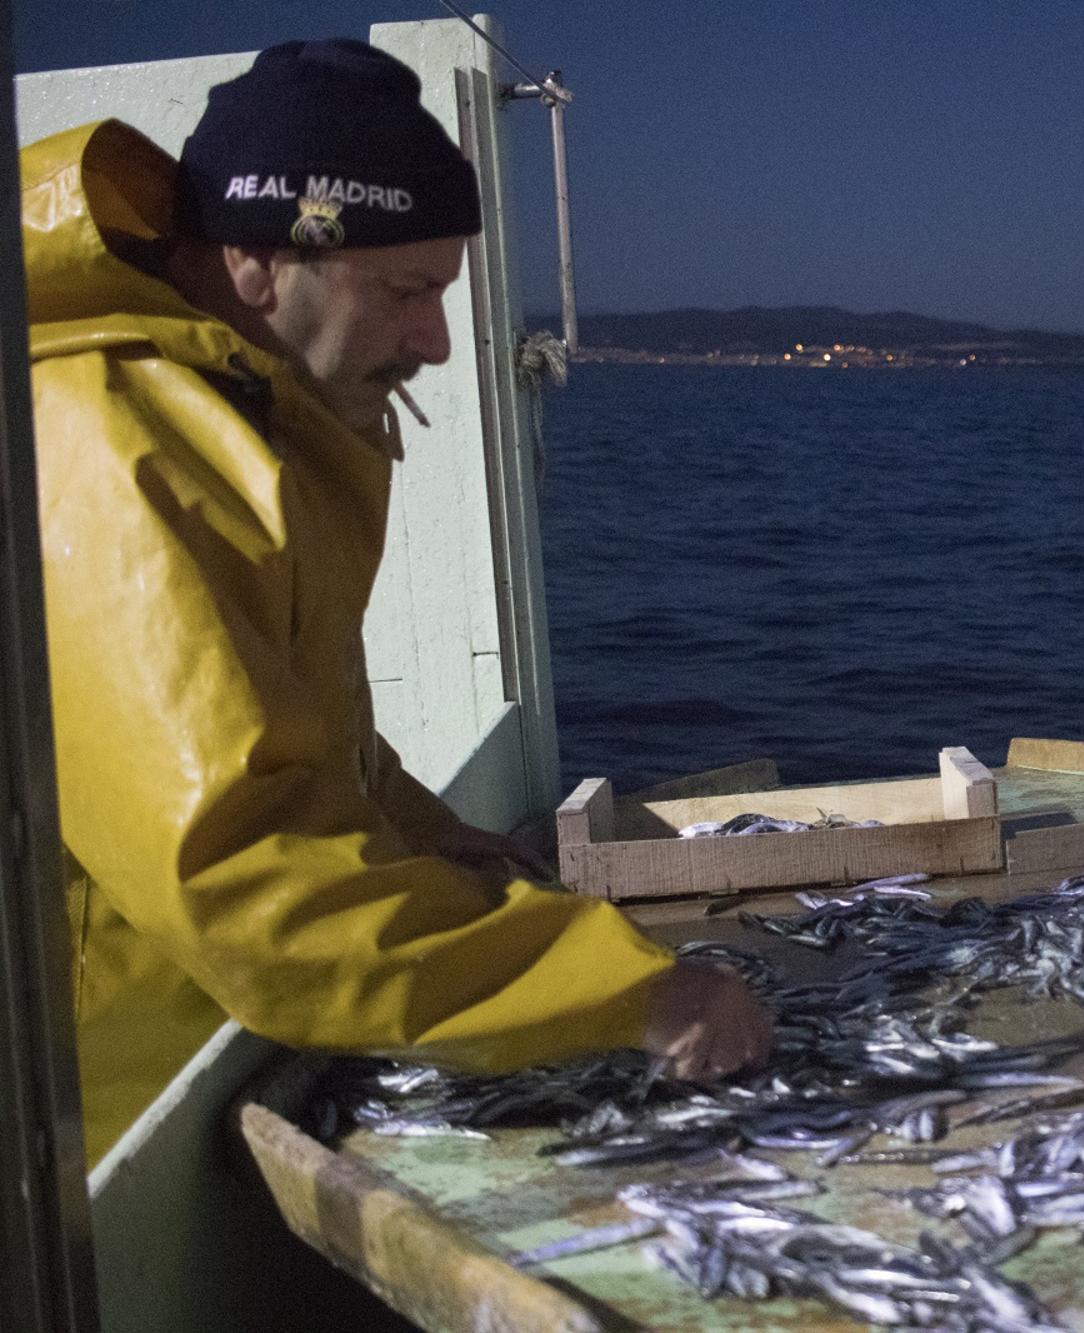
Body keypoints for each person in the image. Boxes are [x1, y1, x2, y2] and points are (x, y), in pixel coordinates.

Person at [24, 39, 770, 1168]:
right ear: (260, 262)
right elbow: (242, 879)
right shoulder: (110, 447)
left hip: (172, 1055)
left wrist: (439, 840)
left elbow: (298, 736)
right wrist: (636, 993)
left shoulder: (248, 415)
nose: (434, 341)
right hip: (74, 1126)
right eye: (406, 292)